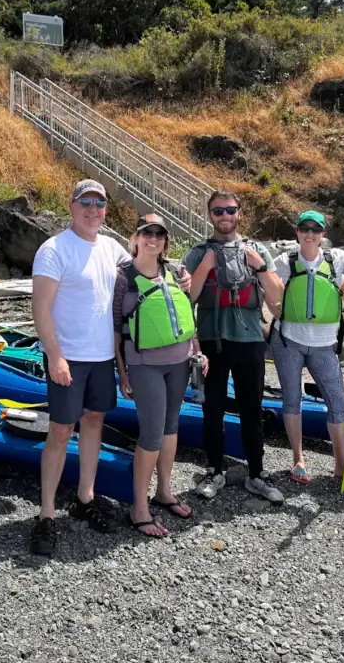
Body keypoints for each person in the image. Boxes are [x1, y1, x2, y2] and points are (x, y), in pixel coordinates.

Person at [30, 180, 191, 556]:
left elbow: (146, 268)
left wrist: (180, 273)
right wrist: (54, 355)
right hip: (68, 356)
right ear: (71, 207)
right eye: (85, 202)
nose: (92, 209)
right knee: (59, 430)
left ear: (105, 210)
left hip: (103, 357)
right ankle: (47, 514)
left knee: (94, 422)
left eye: (99, 204)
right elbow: (40, 308)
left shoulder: (112, 247)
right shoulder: (53, 250)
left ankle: (85, 497)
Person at [265, 211, 344, 487]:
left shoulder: (338, 260)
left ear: (323, 234)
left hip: (324, 345)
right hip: (288, 341)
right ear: (297, 232)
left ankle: (341, 463)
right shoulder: (284, 261)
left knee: (336, 401)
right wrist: (270, 303)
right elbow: (266, 283)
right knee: (292, 399)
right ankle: (298, 459)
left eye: (315, 229)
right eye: (304, 228)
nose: (309, 233)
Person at [183, 191, 284, 503]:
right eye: (217, 211)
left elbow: (277, 299)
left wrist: (260, 267)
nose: (224, 216)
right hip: (212, 340)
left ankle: (256, 473)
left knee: (251, 408)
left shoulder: (257, 250)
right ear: (210, 215)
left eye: (229, 210)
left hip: (251, 340)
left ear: (239, 213)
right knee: (211, 408)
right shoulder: (198, 253)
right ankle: (214, 470)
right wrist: (207, 265)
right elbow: (189, 297)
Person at [113, 214, 205, 537]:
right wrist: (122, 371)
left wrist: (197, 349)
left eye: (159, 234)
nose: (152, 238)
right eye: (146, 232)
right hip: (144, 365)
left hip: (179, 361)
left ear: (165, 240)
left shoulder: (175, 272)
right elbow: (115, 330)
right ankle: (139, 508)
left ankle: (164, 491)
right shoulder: (123, 278)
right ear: (135, 238)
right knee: (151, 434)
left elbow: (185, 314)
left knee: (170, 427)